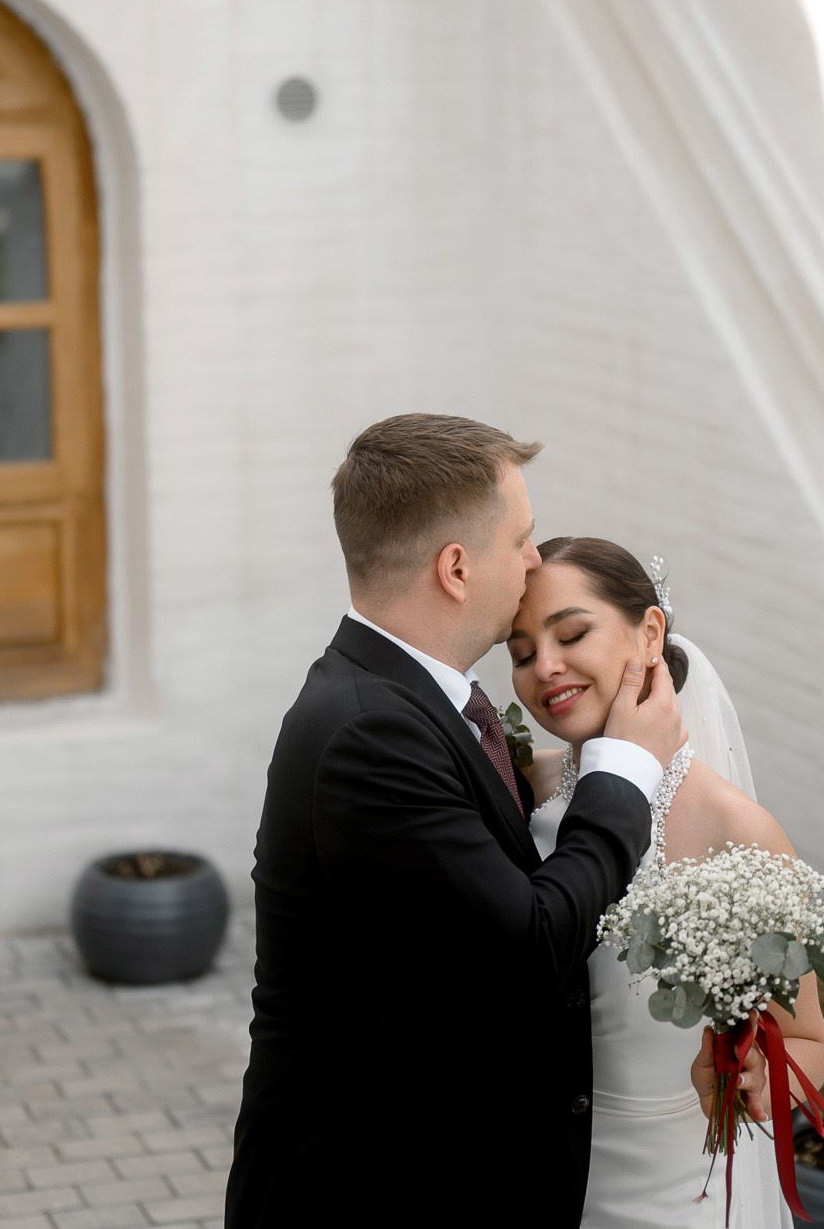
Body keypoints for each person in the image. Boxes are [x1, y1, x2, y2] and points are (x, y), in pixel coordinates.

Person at [227, 414, 691, 1228]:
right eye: (522, 539)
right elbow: (532, 942)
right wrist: (625, 769)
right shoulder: (371, 732)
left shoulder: (400, 703)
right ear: (455, 566)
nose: (535, 562)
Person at [510, 536, 824, 1228]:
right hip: (540, 1172)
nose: (546, 666)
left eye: (571, 633)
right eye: (522, 650)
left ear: (649, 632)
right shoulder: (521, 786)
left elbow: (807, 1038)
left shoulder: (735, 828)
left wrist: (749, 1080)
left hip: (676, 1189)